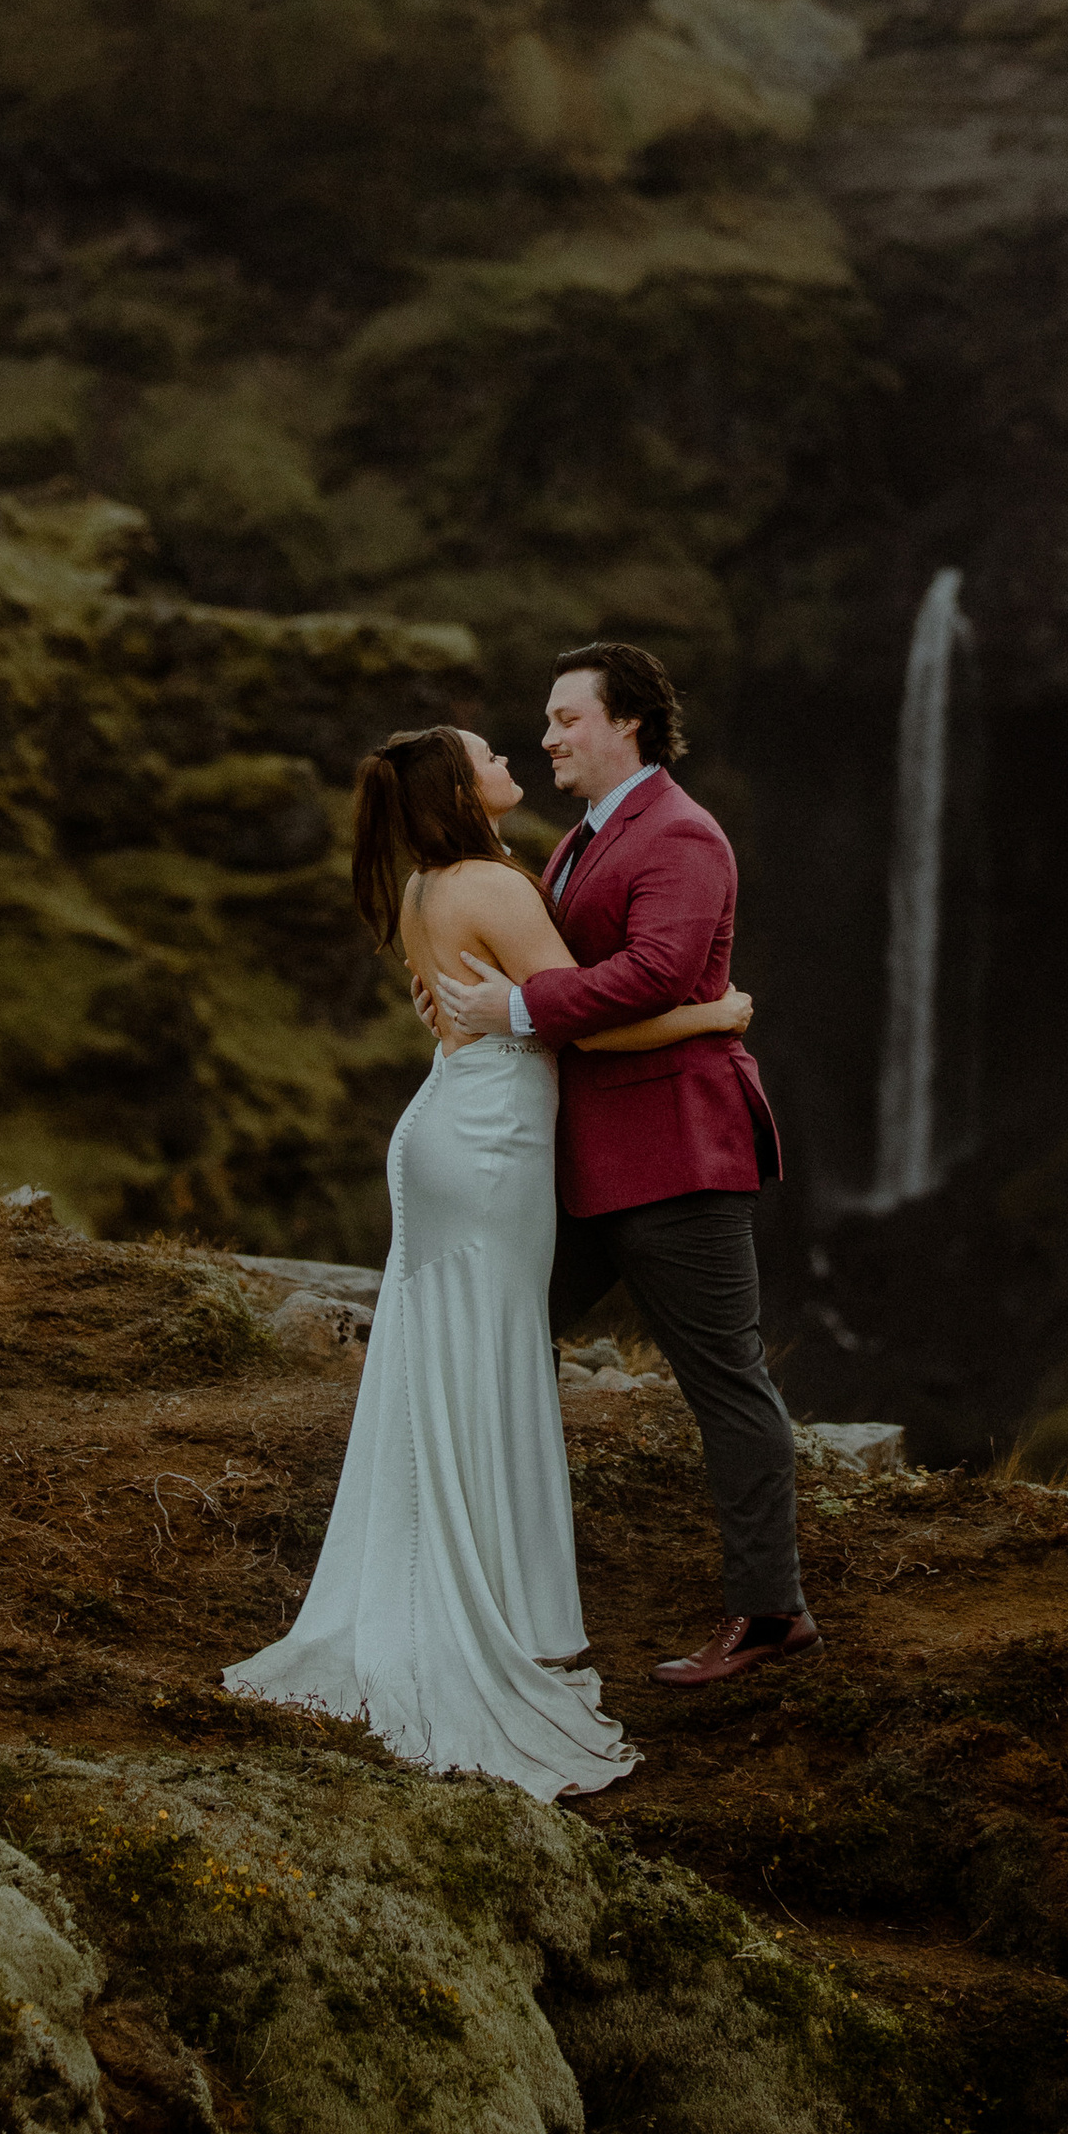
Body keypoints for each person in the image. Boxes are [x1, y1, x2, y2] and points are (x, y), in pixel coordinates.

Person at [222, 719, 751, 1799]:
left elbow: (492, 1005)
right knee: (487, 1359)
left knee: (444, 1365)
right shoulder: (495, 886)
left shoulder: (429, 887)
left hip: (444, 1128)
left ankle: (448, 1593)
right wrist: (718, 1012)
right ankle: (487, 1617)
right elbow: (587, 1027)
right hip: (490, 1148)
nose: (514, 760)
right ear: (462, 790)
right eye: (491, 756)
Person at [434, 641, 817, 1689]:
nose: (548, 735)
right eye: (548, 720)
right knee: (492, 1339)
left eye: (566, 718)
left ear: (629, 725)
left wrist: (511, 1008)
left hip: (678, 1158)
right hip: (581, 1164)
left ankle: (770, 1612)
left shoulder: (682, 835)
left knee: (725, 1385)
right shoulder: (577, 844)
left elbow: (654, 974)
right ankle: (469, 1578)